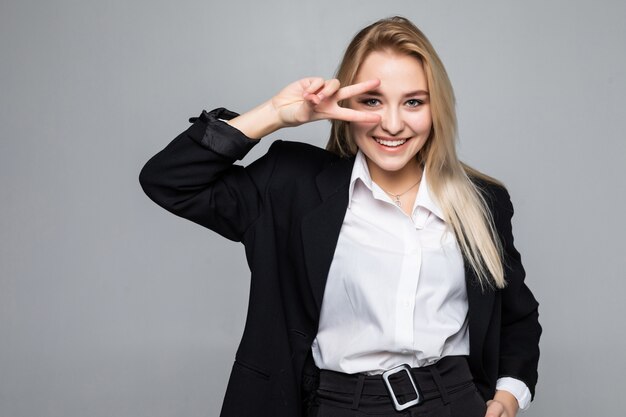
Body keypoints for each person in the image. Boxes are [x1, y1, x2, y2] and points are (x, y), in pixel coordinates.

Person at [139, 16, 540, 417]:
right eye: (372, 101)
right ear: (346, 103)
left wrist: (509, 394)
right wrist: (275, 114)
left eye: (413, 102)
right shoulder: (291, 186)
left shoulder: (482, 202)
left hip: (453, 401)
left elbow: (516, 314)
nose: (393, 123)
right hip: (337, 404)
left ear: (438, 107)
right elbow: (169, 181)